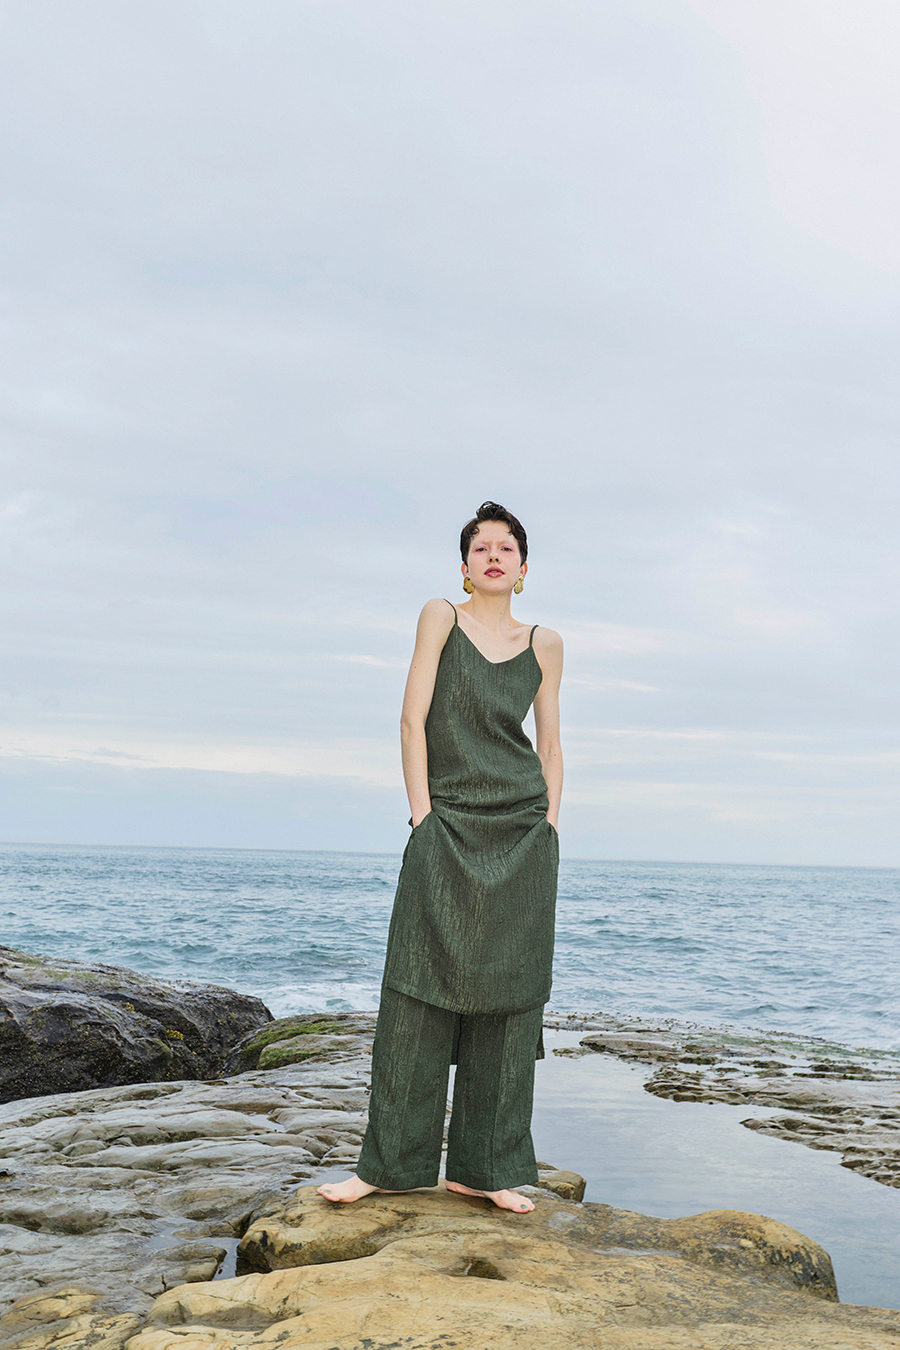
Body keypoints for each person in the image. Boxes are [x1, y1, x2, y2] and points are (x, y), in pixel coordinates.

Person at [319, 501, 563, 1213]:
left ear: (523, 567)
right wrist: (423, 815)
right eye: (481, 548)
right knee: (415, 986)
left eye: (506, 548)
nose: (494, 556)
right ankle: (391, 1165)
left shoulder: (546, 643)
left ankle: (484, 1169)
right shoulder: (440, 618)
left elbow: (551, 744)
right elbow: (411, 720)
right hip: (446, 821)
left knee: (510, 996)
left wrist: (548, 824)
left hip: (522, 831)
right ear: (464, 566)